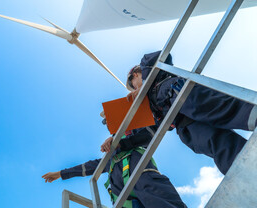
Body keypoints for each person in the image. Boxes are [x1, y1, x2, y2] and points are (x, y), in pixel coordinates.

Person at [126, 50, 256, 175]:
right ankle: (249, 173)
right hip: (186, 125)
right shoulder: (149, 104)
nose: (136, 89)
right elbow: (149, 132)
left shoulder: (152, 67)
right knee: (222, 146)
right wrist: (119, 143)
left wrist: (145, 83)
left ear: (135, 75)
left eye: (134, 85)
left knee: (233, 111)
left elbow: (163, 55)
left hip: (186, 94)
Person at [42, 118, 187, 208]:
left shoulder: (134, 134)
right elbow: (90, 167)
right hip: (124, 201)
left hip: (144, 179)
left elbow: (152, 129)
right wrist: (61, 173)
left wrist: (120, 142)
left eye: (108, 118)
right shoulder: (110, 159)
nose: (107, 122)